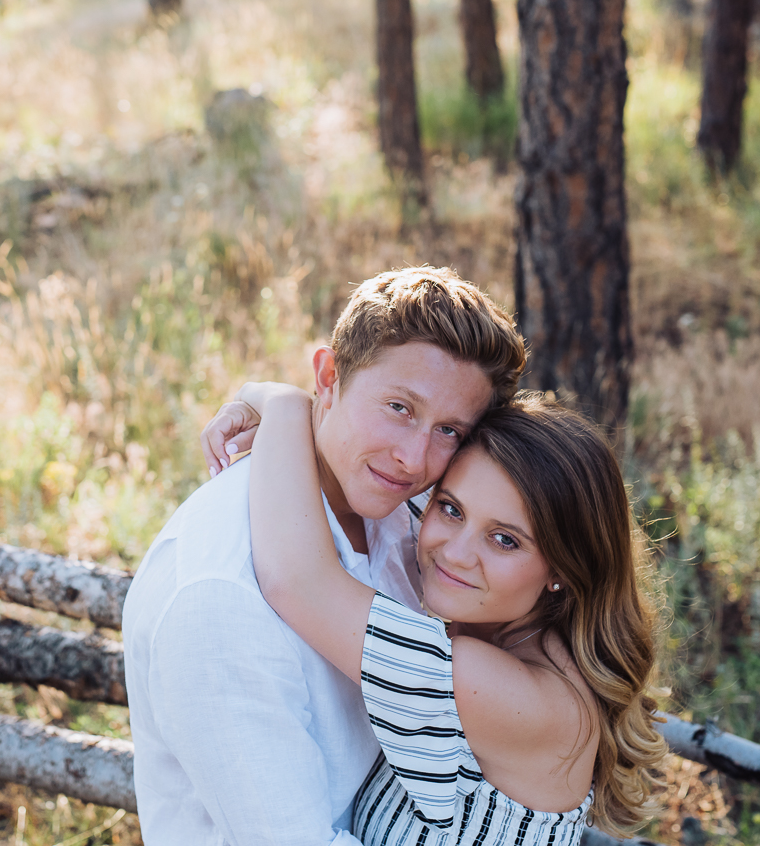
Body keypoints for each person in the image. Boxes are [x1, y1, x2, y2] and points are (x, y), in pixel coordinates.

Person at [122, 267, 527, 846]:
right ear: (329, 377)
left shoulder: (413, 522)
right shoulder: (219, 597)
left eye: (449, 432)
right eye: (399, 407)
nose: (414, 458)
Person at [237, 384, 665, 846]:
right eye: (451, 509)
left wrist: (279, 402)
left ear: (561, 568)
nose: (455, 553)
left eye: (505, 540)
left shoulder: (502, 689)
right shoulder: (522, 633)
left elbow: (299, 583)